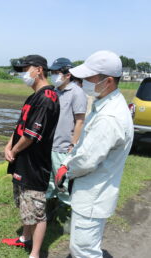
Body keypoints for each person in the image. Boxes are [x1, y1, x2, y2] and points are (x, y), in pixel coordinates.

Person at [55, 50, 134, 258]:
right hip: (96, 190)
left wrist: (66, 169)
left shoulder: (109, 117)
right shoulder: (107, 103)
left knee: (83, 250)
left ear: (108, 81)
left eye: (89, 77)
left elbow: (88, 159)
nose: (84, 81)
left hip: (93, 195)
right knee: (86, 246)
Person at [1, 55, 60, 258]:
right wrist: (9, 145)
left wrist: (15, 150)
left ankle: (35, 254)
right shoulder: (33, 96)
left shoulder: (47, 98)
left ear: (39, 70)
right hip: (22, 161)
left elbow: (31, 135)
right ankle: (24, 239)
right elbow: (20, 126)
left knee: (36, 210)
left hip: (34, 164)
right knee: (24, 202)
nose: (24, 74)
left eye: (26, 69)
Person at [46, 58, 87, 226]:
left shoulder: (76, 92)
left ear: (67, 75)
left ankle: (67, 217)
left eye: (57, 73)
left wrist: (73, 144)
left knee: (62, 181)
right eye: (53, 73)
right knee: (49, 182)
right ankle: (50, 212)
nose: (54, 76)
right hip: (50, 144)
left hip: (64, 146)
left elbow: (80, 121)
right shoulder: (54, 91)